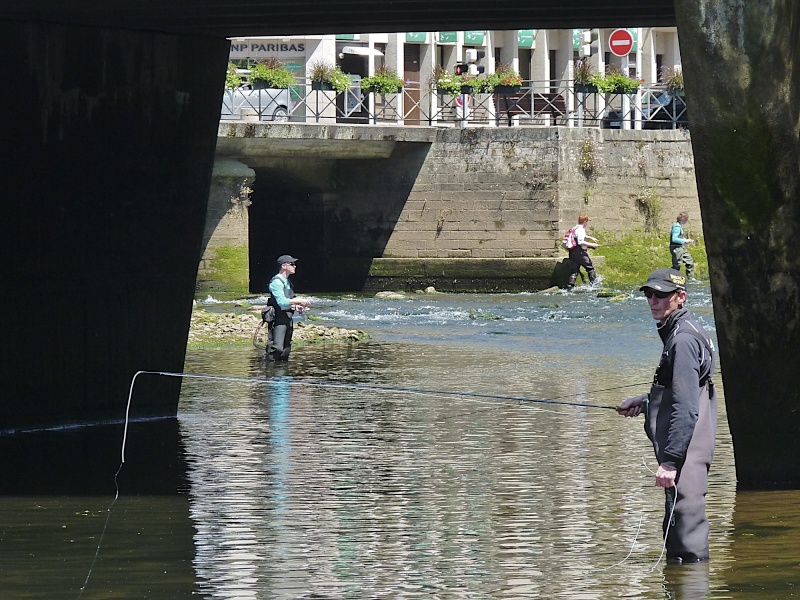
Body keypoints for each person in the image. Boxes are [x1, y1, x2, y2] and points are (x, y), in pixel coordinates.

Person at [618, 268, 717, 563]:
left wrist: (670, 462)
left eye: (661, 295)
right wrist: (647, 402)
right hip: (691, 440)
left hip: (686, 449)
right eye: (649, 294)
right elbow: (684, 389)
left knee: (686, 526)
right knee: (680, 520)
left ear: (680, 298)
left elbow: (687, 406)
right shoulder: (682, 330)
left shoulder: (683, 340)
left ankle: (691, 586)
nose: (653, 300)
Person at [266, 254, 312, 362]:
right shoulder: (276, 282)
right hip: (278, 319)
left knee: (286, 350)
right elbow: (281, 302)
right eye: (292, 264)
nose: (295, 266)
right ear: (284, 266)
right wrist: (300, 300)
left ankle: (284, 376)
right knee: (277, 348)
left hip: (288, 318)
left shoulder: (288, 282)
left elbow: (288, 301)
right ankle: (269, 374)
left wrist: (296, 306)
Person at [565, 214, 599, 289]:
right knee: (590, 268)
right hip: (580, 252)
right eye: (587, 221)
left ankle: (570, 287)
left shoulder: (575, 227)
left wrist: (591, 237)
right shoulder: (581, 229)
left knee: (574, 271)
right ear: (585, 222)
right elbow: (580, 242)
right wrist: (592, 245)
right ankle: (594, 286)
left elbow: (578, 236)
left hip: (572, 253)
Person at [670, 212, 695, 279]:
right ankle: (671, 279)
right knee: (677, 265)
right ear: (683, 219)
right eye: (686, 219)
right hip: (676, 248)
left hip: (681, 248)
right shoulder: (677, 227)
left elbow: (679, 237)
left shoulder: (679, 225)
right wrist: (685, 241)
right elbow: (674, 239)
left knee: (689, 261)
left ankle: (691, 279)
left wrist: (686, 240)